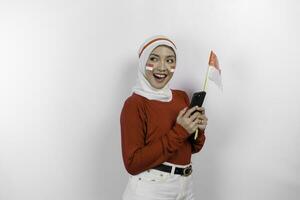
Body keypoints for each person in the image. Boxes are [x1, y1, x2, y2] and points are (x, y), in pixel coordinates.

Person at [120, 35, 207, 200]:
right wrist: (181, 130)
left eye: (169, 60)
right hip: (151, 189)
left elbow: (192, 148)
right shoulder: (134, 104)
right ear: (143, 62)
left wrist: (198, 131)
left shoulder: (181, 97)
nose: (162, 67)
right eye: (154, 58)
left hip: (186, 186)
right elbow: (132, 163)